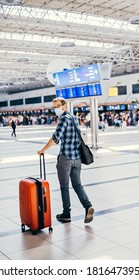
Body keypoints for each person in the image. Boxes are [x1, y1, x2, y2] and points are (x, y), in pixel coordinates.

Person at [37, 97, 94, 224]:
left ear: (64, 106)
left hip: (66, 159)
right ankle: (88, 206)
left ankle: (66, 213)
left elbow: (56, 138)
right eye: (54, 106)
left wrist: (43, 150)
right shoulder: (74, 118)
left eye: (57, 106)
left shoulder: (63, 119)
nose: (55, 109)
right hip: (77, 159)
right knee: (77, 184)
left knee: (64, 187)